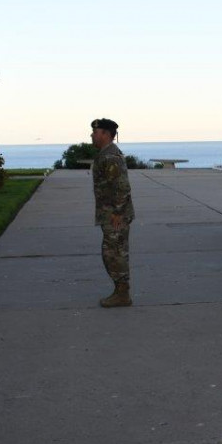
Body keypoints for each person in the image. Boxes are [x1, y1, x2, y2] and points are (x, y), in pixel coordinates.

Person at [91, 117, 135, 307]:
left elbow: (122, 187)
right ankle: (120, 291)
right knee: (112, 252)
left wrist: (117, 212)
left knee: (115, 253)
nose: (92, 135)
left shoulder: (110, 156)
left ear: (106, 134)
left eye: (95, 132)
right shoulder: (106, 154)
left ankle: (122, 294)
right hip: (110, 213)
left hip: (115, 215)